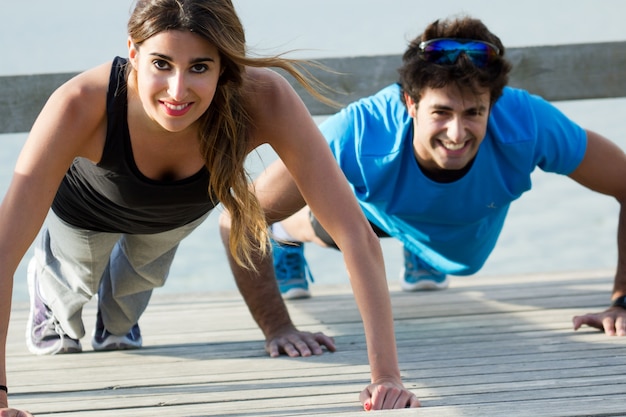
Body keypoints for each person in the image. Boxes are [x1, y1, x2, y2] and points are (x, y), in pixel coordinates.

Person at [0, 0, 420, 414]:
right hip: (87, 211)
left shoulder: (263, 98)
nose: (177, 90)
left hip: (174, 214)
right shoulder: (79, 103)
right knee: (73, 290)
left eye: (199, 67)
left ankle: (116, 318)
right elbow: (2, 254)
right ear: (133, 52)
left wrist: (386, 376)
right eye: (161, 64)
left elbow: (353, 233)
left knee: (126, 309)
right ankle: (52, 300)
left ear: (224, 66)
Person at [240, 15, 626, 337]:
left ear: (494, 103)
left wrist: (622, 300)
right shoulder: (357, 134)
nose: (457, 134)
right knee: (326, 222)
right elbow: (242, 217)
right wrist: (279, 328)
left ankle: (419, 247)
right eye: (441, 112)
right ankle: (286, 236)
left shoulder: (530, 122)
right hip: (379, 209)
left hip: (460, 229)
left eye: (474, 112)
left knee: (458, 258)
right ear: (409, 102)